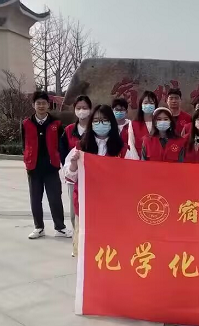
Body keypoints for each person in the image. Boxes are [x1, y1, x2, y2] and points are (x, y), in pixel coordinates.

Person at [64, 105, 138, 256]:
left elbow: (132, 176)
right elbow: (70, 176)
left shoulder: (123, 149)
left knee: (110, 248)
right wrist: (73, 164)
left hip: (113, 206)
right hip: (87, 204)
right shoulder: (81, 147)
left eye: (104, 120)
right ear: (91, 123)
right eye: (96, 120)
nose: (100, 124)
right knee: (88, 249)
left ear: (111, 122)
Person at [21, 90, 70, 240]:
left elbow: (62, 145)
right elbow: (24, 144)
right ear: (33, 105)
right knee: (35, 199)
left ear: (48, 105)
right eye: (38, 103)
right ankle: (38, 227)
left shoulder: (56, 123)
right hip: (34, 167)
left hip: (51, 167)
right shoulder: (26, 123)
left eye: (44, 103)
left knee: (55, 198)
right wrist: (27, 159)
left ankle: (60, 228)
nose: (41, 106)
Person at [59, 95, 92, 231]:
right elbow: (62, 152)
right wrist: (69, 168)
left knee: (91, 209)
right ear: (74, 110)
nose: (81, 111)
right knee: (75, 210)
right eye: (78, 108)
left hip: (92, 176)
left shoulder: (94, 128)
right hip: (74, 176)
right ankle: (77, 238)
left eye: (85, 108)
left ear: (90, 109)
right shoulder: (69, 130)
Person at [129, 91, 158, 157]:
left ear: (155, 105)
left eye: (151, 103)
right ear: (141, 105)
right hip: (138, 158)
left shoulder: (159, 122)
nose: (148, 105)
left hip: (156, 159)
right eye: (146, 103)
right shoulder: (133, 124)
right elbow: (131, 144)